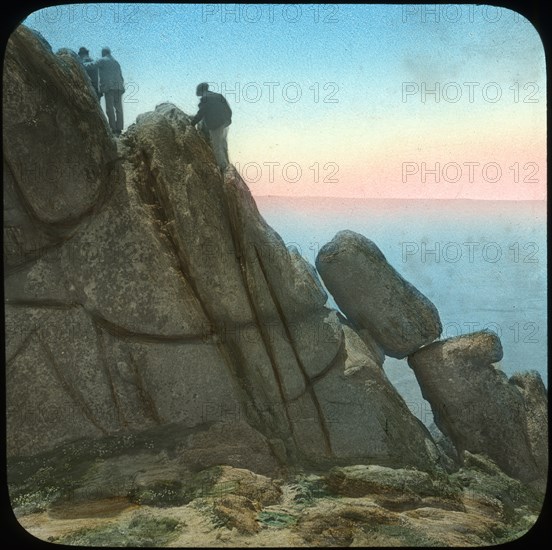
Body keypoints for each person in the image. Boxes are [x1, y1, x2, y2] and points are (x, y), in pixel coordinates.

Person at [190, 83, 232, 172]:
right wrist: (226, 120)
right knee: (223, 144)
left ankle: (224, 169)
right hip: (225, 123)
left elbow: (201, 113)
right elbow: (229, 110)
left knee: (216, 147)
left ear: (200, 91)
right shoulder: (218, 95)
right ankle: (227, 165)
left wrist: (192, 124)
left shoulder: (205, 98)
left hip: (216, 125)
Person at [96, 47, 125, 136]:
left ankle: (113, 129)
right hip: (119, 87)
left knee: (110, 109)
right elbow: (121, 76)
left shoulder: (102, 60)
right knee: (119, 109)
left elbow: (91, 65)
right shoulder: (116, 62)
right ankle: (119, 129)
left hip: (109, 88)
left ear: (104, 52)